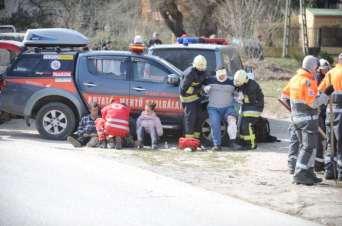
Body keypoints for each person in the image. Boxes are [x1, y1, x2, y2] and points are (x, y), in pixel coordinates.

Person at [284, 55, 329, 185]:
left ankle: (309, 172)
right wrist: (325, 95)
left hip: (296, 119)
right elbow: (313, 103)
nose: (317, 70)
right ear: (312, 67)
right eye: (316, 67)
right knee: (308, 147)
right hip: (307, 120)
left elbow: (284, 95)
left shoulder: (294, 79)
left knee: (308, 146)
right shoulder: (307, 81)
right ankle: (299, 174)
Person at [203, 68, 242, 151]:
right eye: (220, 75)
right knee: (215, 123)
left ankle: (232, 142)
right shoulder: (209, 80)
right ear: (217, 74)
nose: (222, 77)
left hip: (228, 107)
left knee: (232, 121)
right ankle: (217, 145)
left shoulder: (232, 82)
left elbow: (237, 91)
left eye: (223, 75)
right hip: (213, 108)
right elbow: (200, 85)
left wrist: (238, 96)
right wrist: (204, 88)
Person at [318, 53, 342, 181]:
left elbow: (320, 91)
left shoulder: (331, 73)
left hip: (330, 112)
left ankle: (329, 171)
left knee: (330, 141)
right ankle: (341, 172)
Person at [233, 69, 264, 150]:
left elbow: (251, 100)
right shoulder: (243, 82)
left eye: (238, 82)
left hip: (256, 107)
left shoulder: (252, 86)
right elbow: (237, 88)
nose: (237, 84)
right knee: (241, 123)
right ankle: (243, 141)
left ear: (243, 80)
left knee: (246, 123)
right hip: (248, 106)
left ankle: (251, 144)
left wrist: (242, 98)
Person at [179, 55, 208, 139]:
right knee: (190, 119)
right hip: (188, 99)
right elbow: (183, 90)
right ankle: (189, 140)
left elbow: (205, 80)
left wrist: (205, 86)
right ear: (195, 65)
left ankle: (196, 140)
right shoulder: (189, 73)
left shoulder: (203, 71)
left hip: (197, 98)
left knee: (200, 117)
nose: (201, 69)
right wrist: (200, 90)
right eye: (200, 68)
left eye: (203, 68)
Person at [314, 59, 331, 172]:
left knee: (325, 137)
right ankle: (318, 165)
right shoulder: (317, 79)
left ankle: (321, 164)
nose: (324, 70)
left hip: (325, 109)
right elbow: (318, 96)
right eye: (322, 69)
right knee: (320, 138)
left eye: (326, 69)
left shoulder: (329, 76)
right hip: (319, 110)